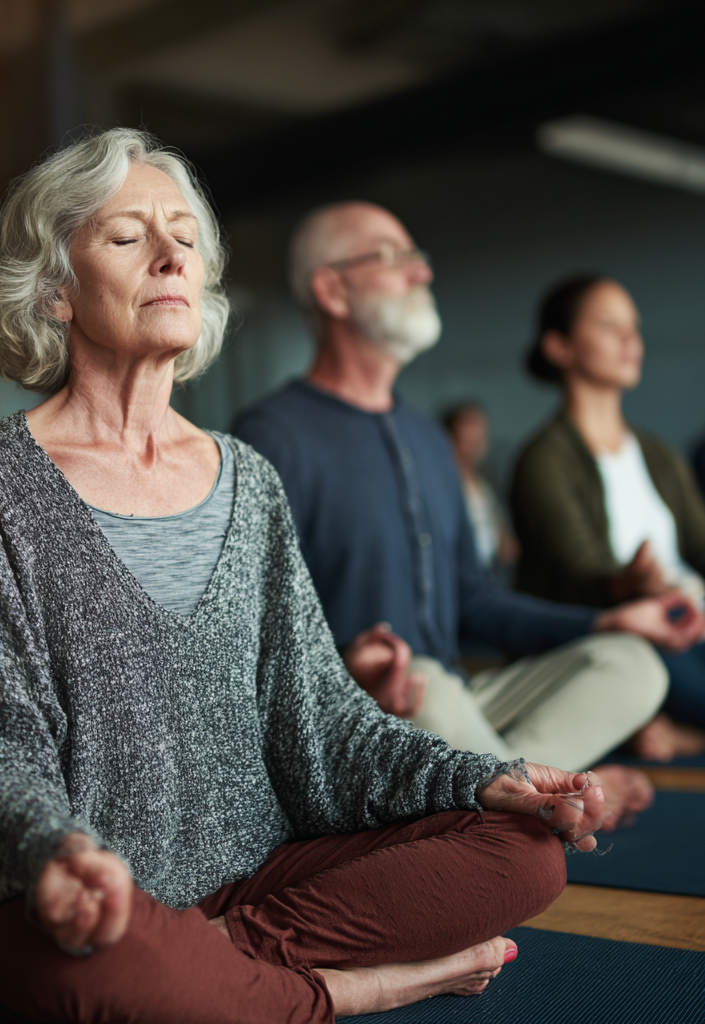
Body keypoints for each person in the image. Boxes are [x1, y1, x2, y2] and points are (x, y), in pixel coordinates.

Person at [0, 129, 608, 1024]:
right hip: (78, 897)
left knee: (524, 851)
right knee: (94, 968)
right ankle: (344, 993)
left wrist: (480, 779)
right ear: (54, 289)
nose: (169, 255)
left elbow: (320, 715)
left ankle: (222, 983)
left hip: (260, 878)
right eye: (127, 238)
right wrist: (59, 857)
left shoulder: (247, 477)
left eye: (185, 238)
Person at [233, 201, 705, 829]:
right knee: (427, 681)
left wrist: (607, 617)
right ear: (332, 289)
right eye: (392, 256)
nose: (420, 273)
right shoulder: (271, 435)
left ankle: (509, 799)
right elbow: (249, 634)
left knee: (631, 663)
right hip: (364, 719)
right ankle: (535, 796)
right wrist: (347, 665)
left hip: (457, 705)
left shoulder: (428, 438)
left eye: (418, 257)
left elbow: (477, 602)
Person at [511, 275, 705, 760]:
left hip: (689, 616)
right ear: (559, 347)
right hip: (632, 632)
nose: (630, 339)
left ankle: (685, 737)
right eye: (608, 324)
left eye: (634, 327)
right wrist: (627, 583)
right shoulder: (544, 458)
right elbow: (579, 572)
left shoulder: (658, 454)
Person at [442, 401, 518, 575]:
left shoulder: (484, 485)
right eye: (469, 428)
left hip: (490, 571)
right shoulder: (444, 485)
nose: (477, 437)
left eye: (481, 430)